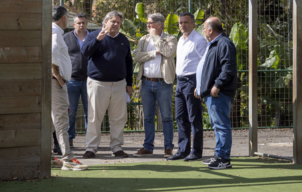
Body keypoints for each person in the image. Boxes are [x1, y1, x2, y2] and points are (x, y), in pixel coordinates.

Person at [81, 10, 133, 158]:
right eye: (113, 21)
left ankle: (116, 147)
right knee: (94, 117)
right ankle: (91, 148)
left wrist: (129, 83)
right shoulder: (93, 35)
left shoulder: (123, 39)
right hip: (98, 84)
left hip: (119, 85)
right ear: (105, 22)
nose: (116, 24)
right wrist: (97, 39)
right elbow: (85, 52)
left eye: (118, 22)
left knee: (118, 118)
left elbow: (129, 62)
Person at [133, 13, 178, 158]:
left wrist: (157, 38)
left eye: (150, 23)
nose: (148, 26)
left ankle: (168, 147)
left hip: (163, 83)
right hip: (146, 83)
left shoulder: (170, 38)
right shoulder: (144, 39)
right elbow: (137, 56)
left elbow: (169, 52)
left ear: (159, 24)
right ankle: (148, 146)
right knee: (148, 117)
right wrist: (153, 53)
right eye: (147, 23)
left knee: (166, 117)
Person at [195, 17, 238, 170]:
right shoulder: (214, 44)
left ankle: (224, 159)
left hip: (219, 93)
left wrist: (217, 85)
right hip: (211, 92)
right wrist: (200, 86)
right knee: (217, 124)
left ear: (211, 30)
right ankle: (219, 155)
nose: (204, 31)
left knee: (221, 125)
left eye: (204, 29)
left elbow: (229, 68)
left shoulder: (224, 43)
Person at [51, 5, 88, 171]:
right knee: (61, 120)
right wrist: (58, 76)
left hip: (54, 81)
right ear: (64, 17)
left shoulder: (51, 30)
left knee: (51, 122)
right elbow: (52, 53)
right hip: (55, 82)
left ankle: (49, 158)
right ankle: (67, 158)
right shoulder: (56, 31)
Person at [167, 12, 207, 161]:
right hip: (180, 81)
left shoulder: (199, 40)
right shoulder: (181, 39)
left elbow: (205, 64)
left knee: (194, 118)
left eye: (185, 22)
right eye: (180, 23)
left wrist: (200, 84)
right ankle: (183, 150)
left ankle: (196, 152)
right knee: (180, 117)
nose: (182, 25)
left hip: (192, 81)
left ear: (193, 24)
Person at [63, 13, 90, 147]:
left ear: (86, 24)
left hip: (90, 80)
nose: (81, 25)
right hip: (72, 80)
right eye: (78, 23)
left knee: (90, 112)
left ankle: (90, 140)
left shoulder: (93, 37)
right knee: (71, 112)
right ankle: (69, 139)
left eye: (83, 22)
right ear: (73, 24)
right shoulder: (66, 38)